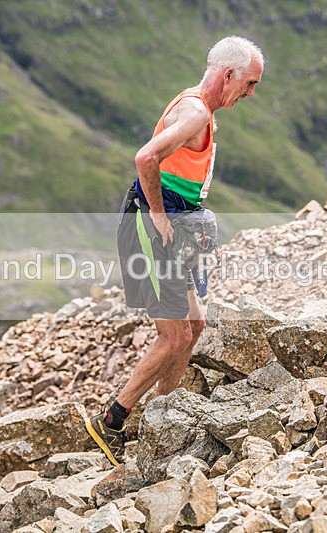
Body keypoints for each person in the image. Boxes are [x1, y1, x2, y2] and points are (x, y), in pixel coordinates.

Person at [85, 36, 265, 465]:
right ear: (228, 75)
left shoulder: (197, 105)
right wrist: (161, 216)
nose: (251, 94)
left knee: (195, 324)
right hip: (149, 228)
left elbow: (180, 176)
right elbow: (146, 158)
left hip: (167, 230)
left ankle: (164, 418)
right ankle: (110, 420)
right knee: (175, 334)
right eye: (250, 83)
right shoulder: (196, 111)